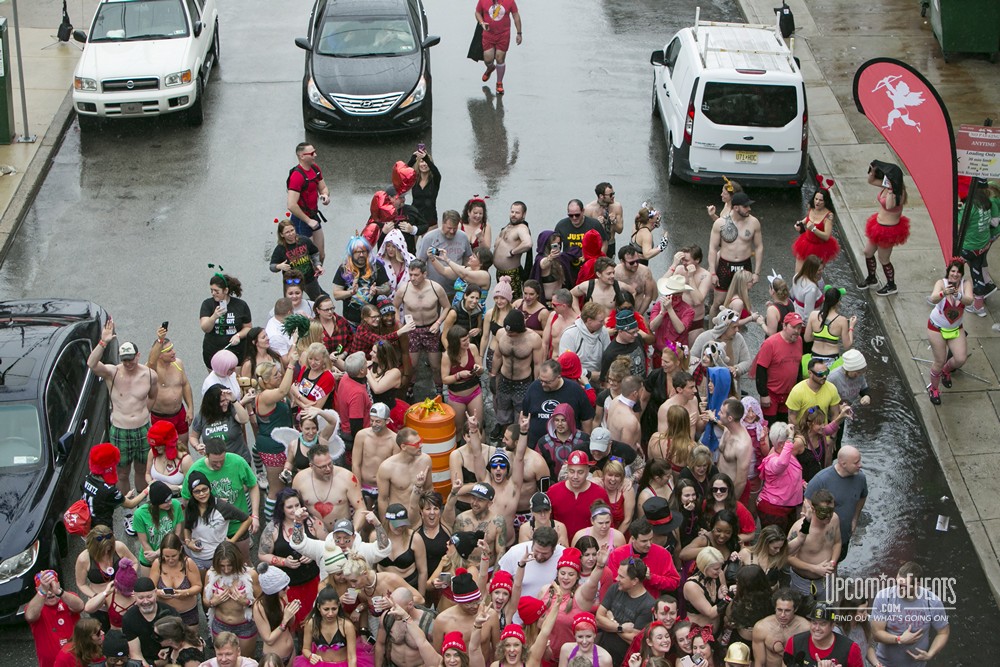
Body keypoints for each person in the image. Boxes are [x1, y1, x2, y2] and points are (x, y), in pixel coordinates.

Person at [87, 320, 157, 503]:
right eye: (124, 359)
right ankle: (128, 509)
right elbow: (92, 364)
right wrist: (103, 342)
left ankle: (144, 505)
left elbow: (152, 397)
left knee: (143, 469)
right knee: (122, 472)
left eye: (131, 358)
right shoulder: (113, 373)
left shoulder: (149, 375)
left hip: (142, 429)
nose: (128, 363)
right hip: (120, 429)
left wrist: (143, 413)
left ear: (138, 356)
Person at [871, 562, 950, 667]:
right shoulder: (884, 598)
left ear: (917, 584)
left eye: (904, 586)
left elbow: (943, 632)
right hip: (885, 664)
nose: (898, 589)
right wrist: (899, 639)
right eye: (897, 584)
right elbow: (876, 634)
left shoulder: (932, 602)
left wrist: (930, 654)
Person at [396, 259, 452, 393]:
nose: (412, 278)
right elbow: (395, 307)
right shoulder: (403, 290)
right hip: (412, 330)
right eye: (410, 275)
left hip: (430, 329)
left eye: (416, 275)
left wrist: (438, 322)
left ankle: (439, 389)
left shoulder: (435, 288)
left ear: (424, 274)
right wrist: (399, 324)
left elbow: (447, 306)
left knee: (435, 366)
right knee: (412, 365)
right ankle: (410, 388)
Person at [805, 445, 867, 563]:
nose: (860, 465)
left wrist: (855, 518)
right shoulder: (821, 480)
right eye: (856, 462)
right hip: (822, 539)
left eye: (860, 460)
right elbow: (807, 504)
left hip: (843, 534)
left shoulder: (860, 478)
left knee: (836, 561)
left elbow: (862, 496)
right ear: (843, 464)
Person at [857, 160, 909, 296]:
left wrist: (891, 189)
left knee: (883, 259)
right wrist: (873, 171)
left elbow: (890, 206)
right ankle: (872, 278)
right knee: (868, 252)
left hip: (888, 230)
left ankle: (891, 285)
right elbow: (871, 181)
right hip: (877, 226)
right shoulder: (886, 186)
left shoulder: (899, 193)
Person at [182, 470, 252, 570]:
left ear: (209, 488)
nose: (202, 494)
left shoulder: (222, 506)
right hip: (196, 559)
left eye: (204, 489)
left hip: (217, 559)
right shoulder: (191, 507)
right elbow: (187, 527)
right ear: (192, 493)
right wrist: (188, 542)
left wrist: (232, 541)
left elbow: (247, 520)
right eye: (197, 491)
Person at [926, 259, 974, 404]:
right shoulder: (941, 283)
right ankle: (933, 388)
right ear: (948, 272)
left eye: (958, 272)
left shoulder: (966, 284)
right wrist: (943, 293)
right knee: (939, 361)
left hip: (956, 328)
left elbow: (970, 300)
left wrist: (958, 295)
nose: (955, 274)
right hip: (936, 328)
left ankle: (946, 371)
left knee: (960, 359)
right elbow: (933, 298)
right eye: (953, 271)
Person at [708, 192, 764, 313]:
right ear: (736, 207)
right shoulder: (720, 223)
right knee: (718, 303)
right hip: (725, 266)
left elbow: (759, 247)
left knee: (740, 302)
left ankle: (735, 328)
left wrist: (757, 273)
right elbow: (712, 248)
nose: (749, 208)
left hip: (744, 266)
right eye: (746, 206)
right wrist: (712, 272)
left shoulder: (753, 222)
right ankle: (712, 330)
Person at [601, 514, 681, 598]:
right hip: (622, 603)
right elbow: (612, 585)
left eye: (650, 539)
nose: (649, 544)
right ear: (633, 539)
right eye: (644, 541)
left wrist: (652, 578)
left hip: (650, 606)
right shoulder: (617, 554)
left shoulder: (663, 554)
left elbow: (674, 583)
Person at [74, 525, 138, 630]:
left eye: (109, 550)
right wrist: (96, 596)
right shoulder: (84, 559)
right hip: (101, 603)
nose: (106, 553)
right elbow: (81, 584)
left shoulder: (119, 547)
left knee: (129, 628)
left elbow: (134, 562)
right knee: (103, 630)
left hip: (123, 598)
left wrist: (127, 578)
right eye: (102, 550)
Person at [293, 442, 366, 533]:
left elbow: (360, 508)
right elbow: (294, 508)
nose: (328, 469)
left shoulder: (347, 477)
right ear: (311, 466)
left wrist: (353, 531)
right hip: (313, 533)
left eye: (330, 464)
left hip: (343, 532)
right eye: (323, 467)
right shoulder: (300, 479)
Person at [595, 559, 655, 667]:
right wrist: (620, 627)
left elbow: (633, 639)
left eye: (621, 577)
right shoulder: (615, 588)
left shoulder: (648, 605)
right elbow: (598, 619)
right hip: (602, 655)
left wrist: (610, 621)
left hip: (625, 661)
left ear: (634, 581)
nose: (617, 579)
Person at [491, 310, 543, 432]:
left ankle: (517, 440)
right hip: (504, 380)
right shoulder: (501, 334)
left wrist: (536, 385)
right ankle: (505, 436)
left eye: (512, 332)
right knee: (502, 411)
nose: (508, 333)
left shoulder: (533, 339)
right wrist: (492, 375)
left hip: (523, 383)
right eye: (507, 330)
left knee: (521, 415)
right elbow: (498, 356)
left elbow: (537, 364)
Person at [83, 443, 149, 535]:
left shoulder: (88, 479)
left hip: (88, 529)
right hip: (104, 533)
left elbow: (102, 501)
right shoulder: (109, 491)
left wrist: (123, 497)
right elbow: (130, 504)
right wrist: (147, 490)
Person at [786, 489, 840, 602]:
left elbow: (837, 543)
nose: (828, 516)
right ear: (814, 510)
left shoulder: (834, 519)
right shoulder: (799, 529)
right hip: (803, 581)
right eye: (824, 512)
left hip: (827, 579)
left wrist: (833, 562)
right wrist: (815, 569)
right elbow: (787, 557)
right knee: (801, 611)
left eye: (831, 510)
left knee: (827, 611)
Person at [497, 527, 566, 614]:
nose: (539, 556)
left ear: (554, 548)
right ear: (532, 543)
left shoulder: (563, 554)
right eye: (536, 551)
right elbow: (500, 581)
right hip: (517, 616)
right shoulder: (515, 552)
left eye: (545, 553)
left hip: (550, 616)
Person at [753, 313, 805, 424]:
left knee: (785, 427)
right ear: (784, 326)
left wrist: (799, 390)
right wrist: (763, 394)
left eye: (799, 328)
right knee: (769, 427)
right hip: (772, 395)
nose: (797, 331)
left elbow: (798, 366)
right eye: (793, 327)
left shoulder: (799, 340)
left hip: (789, 394)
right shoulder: (770, 343)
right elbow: (760, 370)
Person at [548, 450, 611, 540]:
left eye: (580, 472)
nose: (575, 476)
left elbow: (608, 524)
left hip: (589, 549)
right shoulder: (553, 491)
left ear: (587, 471)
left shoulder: (600, 493)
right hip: (561, 546)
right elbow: (546, 521)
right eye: (572, 471)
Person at [26, 569, 84, 667]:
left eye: (51, 587)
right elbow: (30, 616)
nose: (50, 592)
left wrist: (59, 592)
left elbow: (80, 606)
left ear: (58, 584)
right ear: (37, 589)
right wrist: (42, 592)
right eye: (46, 588)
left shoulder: (67, 598)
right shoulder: (36, 606)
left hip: (76, 661)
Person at [148, 329, 195, 442]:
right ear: (159, 355)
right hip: (161, 417)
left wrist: (190, 408)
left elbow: (185, 385)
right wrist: (160, 340)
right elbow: (151, 362)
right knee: (164, 450)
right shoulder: (153, 370)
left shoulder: (178, 363)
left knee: (183, 449)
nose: (173, 352)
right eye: (168, 351)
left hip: (180, 413)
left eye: (172, 348)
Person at [122, 577, 181, 667]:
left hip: (171, 658)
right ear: (134, 596)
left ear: (156, 593)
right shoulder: (129, 618)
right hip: (145, 661)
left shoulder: (170, 613)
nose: (145, 602)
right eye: (141, 598)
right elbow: (135, 654)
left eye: (149, 596)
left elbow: (181, 640)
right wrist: (152, 665)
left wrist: (170, 649)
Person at [199, 272, 253, 369]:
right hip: (213, 352)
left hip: (236, 352)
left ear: (226, 290)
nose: (213, 293)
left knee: (235, 380)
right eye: (211, 290)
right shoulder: (207, 304)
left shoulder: (240, 305)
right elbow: (205, 328)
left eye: (216, 291)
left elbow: (248, 327)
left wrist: (238, 335)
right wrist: (214, 316)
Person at [756, 423, 804, 532]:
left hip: (787, 507)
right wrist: (790, 440)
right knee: (774, 544)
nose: (793, 442)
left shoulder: (787, 455)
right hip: (773, 509)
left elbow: (789, 473)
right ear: (782, 444)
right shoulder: (772, 460)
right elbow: (782, 464)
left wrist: (801, 483)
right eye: (790, 439)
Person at [332, 236, 391, 326]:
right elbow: (336, 294)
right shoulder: (344, 268)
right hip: (351, 322)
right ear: (351, 253)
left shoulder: (376, 266)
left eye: (364, 251)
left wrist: (377, 290)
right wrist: (351, 292)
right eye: (358, 252)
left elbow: (387, 288)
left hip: (373, 321)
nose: (361, 255)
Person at [376, 428, 435, 517]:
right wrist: (386, 525)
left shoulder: (425, 460)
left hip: (419, 515)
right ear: (403, 446)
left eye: (420, 441)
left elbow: (428, 489)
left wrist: (430, 513)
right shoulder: (387, 467)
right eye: (416, 444)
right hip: (398, 517)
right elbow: (383, 500)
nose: (420, 445)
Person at [150, 533, 203, 630]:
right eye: (166, 556)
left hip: (188, 613)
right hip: (165, 615)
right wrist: (159, 593)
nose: (170, 560)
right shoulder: (158, 564)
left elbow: (198, 586)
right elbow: (150, 588)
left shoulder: (188, 563)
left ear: (180, 550)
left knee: (191, 641)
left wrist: (185, 592)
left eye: (173, 556)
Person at [286, 142, 330, 261]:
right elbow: (291, 204)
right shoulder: (297, 176)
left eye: (314, 151)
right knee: (306, 258)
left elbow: (323, 187)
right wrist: (308, 220)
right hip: (301, 220)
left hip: (313, 216)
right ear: (302, 156)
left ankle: (315, 277)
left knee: (320, 255)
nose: (315, 155)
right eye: (311, 153)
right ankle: (305, 279)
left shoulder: (315, 168)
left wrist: (325, 195)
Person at [784, 603, 864, 667]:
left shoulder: (850, 648)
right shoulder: (795, 643)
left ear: (832, 626)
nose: (817, 628)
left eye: (823, 624)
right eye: (814, 622)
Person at [419, 210, 474, 297]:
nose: (452, 231)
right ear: (442, 223)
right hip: (433, 289)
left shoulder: (463, 237)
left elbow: (468, 259)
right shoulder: (429, 238)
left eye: (455, 228)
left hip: (456, 290)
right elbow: (420, 262)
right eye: (449, 228)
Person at [442, 326, 486, 436]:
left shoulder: (473, 348)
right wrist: (458, 375)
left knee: (477, 425)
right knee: (458, 429)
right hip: (456, 396)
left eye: (468, 338)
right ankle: (459, 450)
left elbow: (481, 369)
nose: (468, 342)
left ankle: (480, 449)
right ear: (455, 343)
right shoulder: (447, 356)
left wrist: (479, 369)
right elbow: (445, 379)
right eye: (464, 341)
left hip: (474, 392)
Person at [298, 586, 357, 667]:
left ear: (339, 606)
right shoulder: (311, 623)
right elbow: (305, 649)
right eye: (326, 609)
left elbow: (352, 657)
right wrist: (310, 656)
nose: (330, 614)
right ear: (318, 607)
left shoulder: (347, 625)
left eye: (334, 609)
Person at [132, 481, 183, 572]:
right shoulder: (140, 514)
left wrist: (159, 553)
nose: (170, 503)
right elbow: (144, 542)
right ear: (156, 503)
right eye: (166, 501)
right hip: (150, 556)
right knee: (149, 585)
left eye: (170, 499)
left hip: (171, 556)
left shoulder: (176, 505)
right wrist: (154, 557)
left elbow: (177, 534)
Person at [751, 589, 809, 667]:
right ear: (775, 608)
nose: (782, 615)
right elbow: (759, 663)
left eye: (787, 611)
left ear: (795, 609)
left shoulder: (806, 628)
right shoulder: (762, 627)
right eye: (779, 610)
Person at [271, 218, 325, 300]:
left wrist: (317, 264)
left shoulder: (304, 240)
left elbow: (314, 253)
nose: (291, 234)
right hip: (291, 283)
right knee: (291, 303)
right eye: (287, 232)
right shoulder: (280, 249)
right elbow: (272, 266)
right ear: (282, 235)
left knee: (318, 300)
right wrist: (279, 266)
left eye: (292, 230)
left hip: (309, 278)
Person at [475, 0, 522, 95]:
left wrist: (519, 33)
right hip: (488, 35)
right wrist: (482, 22)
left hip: (503, 35)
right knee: (488, 59)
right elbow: (477, 12)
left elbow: (515, 15)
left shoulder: (510, 1)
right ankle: (490, 68)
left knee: (500, 58)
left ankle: (499, 83)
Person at [792, 184, 840, 272]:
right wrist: (800, 223)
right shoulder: (811, 208)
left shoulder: (829, 216)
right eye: (816, 199)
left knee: (812, 274)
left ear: (826, 201)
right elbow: (808, 218)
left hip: (818, 249)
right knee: (798, 272)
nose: (817, 202)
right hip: (805, 243)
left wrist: (814, 229)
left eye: (821, 200)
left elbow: (826, 236)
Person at [804, 287, 855, 369]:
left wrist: (819, 336)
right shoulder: (842, 320)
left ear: (824, 299)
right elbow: (847, 345)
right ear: (838, 302)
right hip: (832, 360)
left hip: (814, 358)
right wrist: (851, 327)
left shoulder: (813, 315)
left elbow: (807, 338)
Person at [493, 200, 533, 299]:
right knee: (500, 300)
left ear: (524, 215)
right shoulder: (507, 227)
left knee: (514, 301)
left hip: (512, 273)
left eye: (517, 213)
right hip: (499, 272)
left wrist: (513, 252)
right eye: (512, 212)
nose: (514, 215)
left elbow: (528, 243)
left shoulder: (521, 228)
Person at [558, 302, 611, 377]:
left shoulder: (603, 332)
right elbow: (566, 364)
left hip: (600, 376)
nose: (604, 323)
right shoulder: (569, 334)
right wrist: (590, 375)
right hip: (576, 378)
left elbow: (608, 357)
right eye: (601, 321)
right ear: (589, 321)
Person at [786, 358, 845, 424]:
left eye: (826, 372)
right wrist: (798, 433)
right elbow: (791, 417)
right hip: (802, 432)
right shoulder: (797, 391)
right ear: (810, 373)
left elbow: (835, 414)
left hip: (823, 432)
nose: (825, 376)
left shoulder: (831, 388)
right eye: (820, 374)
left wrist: (833, 433)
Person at [738, 525, 789, 590]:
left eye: (780, 548)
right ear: (765, 544)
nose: (778, 551)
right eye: (775, 548)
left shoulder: (777, 560)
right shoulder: (746, 553)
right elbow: (733, 577)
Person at [584, 182, 624, 258]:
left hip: (610, 244)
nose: (613, 196)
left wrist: (613, 222)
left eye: (613, 193)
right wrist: (596, 225)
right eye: (611, 195)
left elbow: (620, 230)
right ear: (601, 196)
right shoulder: (589, 209)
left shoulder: (616, 207)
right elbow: (585, 233)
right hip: (595, 245)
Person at [531, 232, 574, 302]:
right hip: (547, 303)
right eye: (554, 244)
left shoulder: (561, 258)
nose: (558, 246)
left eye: (559, 243)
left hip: (561, 301)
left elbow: (571, 254)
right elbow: (542, 265)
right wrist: (550, 257)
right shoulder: (540, 258)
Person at [407, 147, 442, 226]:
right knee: (409, 237)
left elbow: (436, 172)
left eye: (426, 162)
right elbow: (404, 172)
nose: (424, 164)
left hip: (430, 219)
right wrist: (413, 159)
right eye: (421, 161)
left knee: (428, 238)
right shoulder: (414, 179)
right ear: (418, 164)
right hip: (414, 217)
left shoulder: (435, 180)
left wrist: (426, 158)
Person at [789, 255, 825, 322]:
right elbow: (808, 315)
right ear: (812, 270)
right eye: (819, 270)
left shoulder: (796, 277)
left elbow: (792, 296)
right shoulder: (811, 288)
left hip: (796, 314)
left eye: (822, 269)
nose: (822, 271)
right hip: (805, 323)